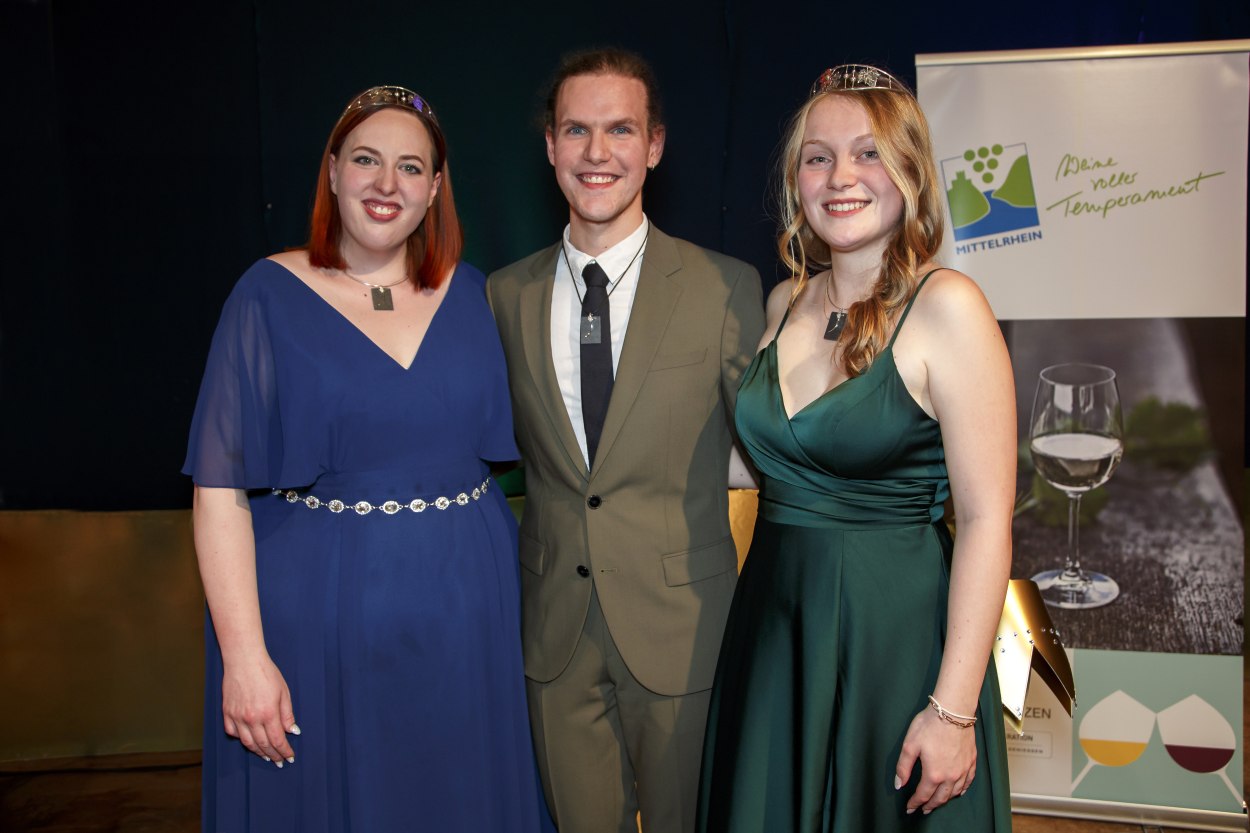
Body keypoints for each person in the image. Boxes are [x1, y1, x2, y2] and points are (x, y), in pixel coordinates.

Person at [184, 86, 546, 832]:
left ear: (436, 187)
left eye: (410, 167)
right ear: (334, 171)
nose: (387, 184)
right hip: (318, 622)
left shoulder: (481, 295)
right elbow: (218, 489)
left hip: (469, 619)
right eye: (367, 161)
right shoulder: (267, 294)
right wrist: (245, 657)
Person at [696, 65, 1015, 831]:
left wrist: (953, 710)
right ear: (795, 180)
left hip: (895, 649)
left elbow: (987, 520)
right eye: (818, 156)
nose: (841, 176)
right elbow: (762, 461)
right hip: (775, 637)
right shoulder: (783, 302)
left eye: (868, 153)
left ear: (910, 171)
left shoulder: (950, 309)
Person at [486, 48, 765, 833]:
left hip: (683, 631)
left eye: (620, 129)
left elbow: (783, 443)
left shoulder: (724, 287)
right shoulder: (503, 296)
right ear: (550, 146)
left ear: (655, 145)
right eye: (577, 129)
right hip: (555, 637)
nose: (597, 152)